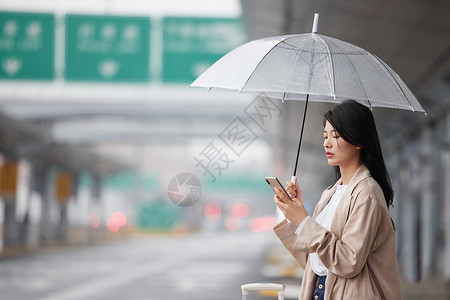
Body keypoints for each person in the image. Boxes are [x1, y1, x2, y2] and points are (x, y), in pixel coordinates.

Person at [273, 100, 402, 300]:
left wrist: (303, 221)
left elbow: (348, 261)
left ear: (358, 141)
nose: (326, 143)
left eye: (336, 136)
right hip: (320, 292)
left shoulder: (366, 194)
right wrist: (294, 215)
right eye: (325, 136)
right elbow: (313, 261)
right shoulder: (331, 193)